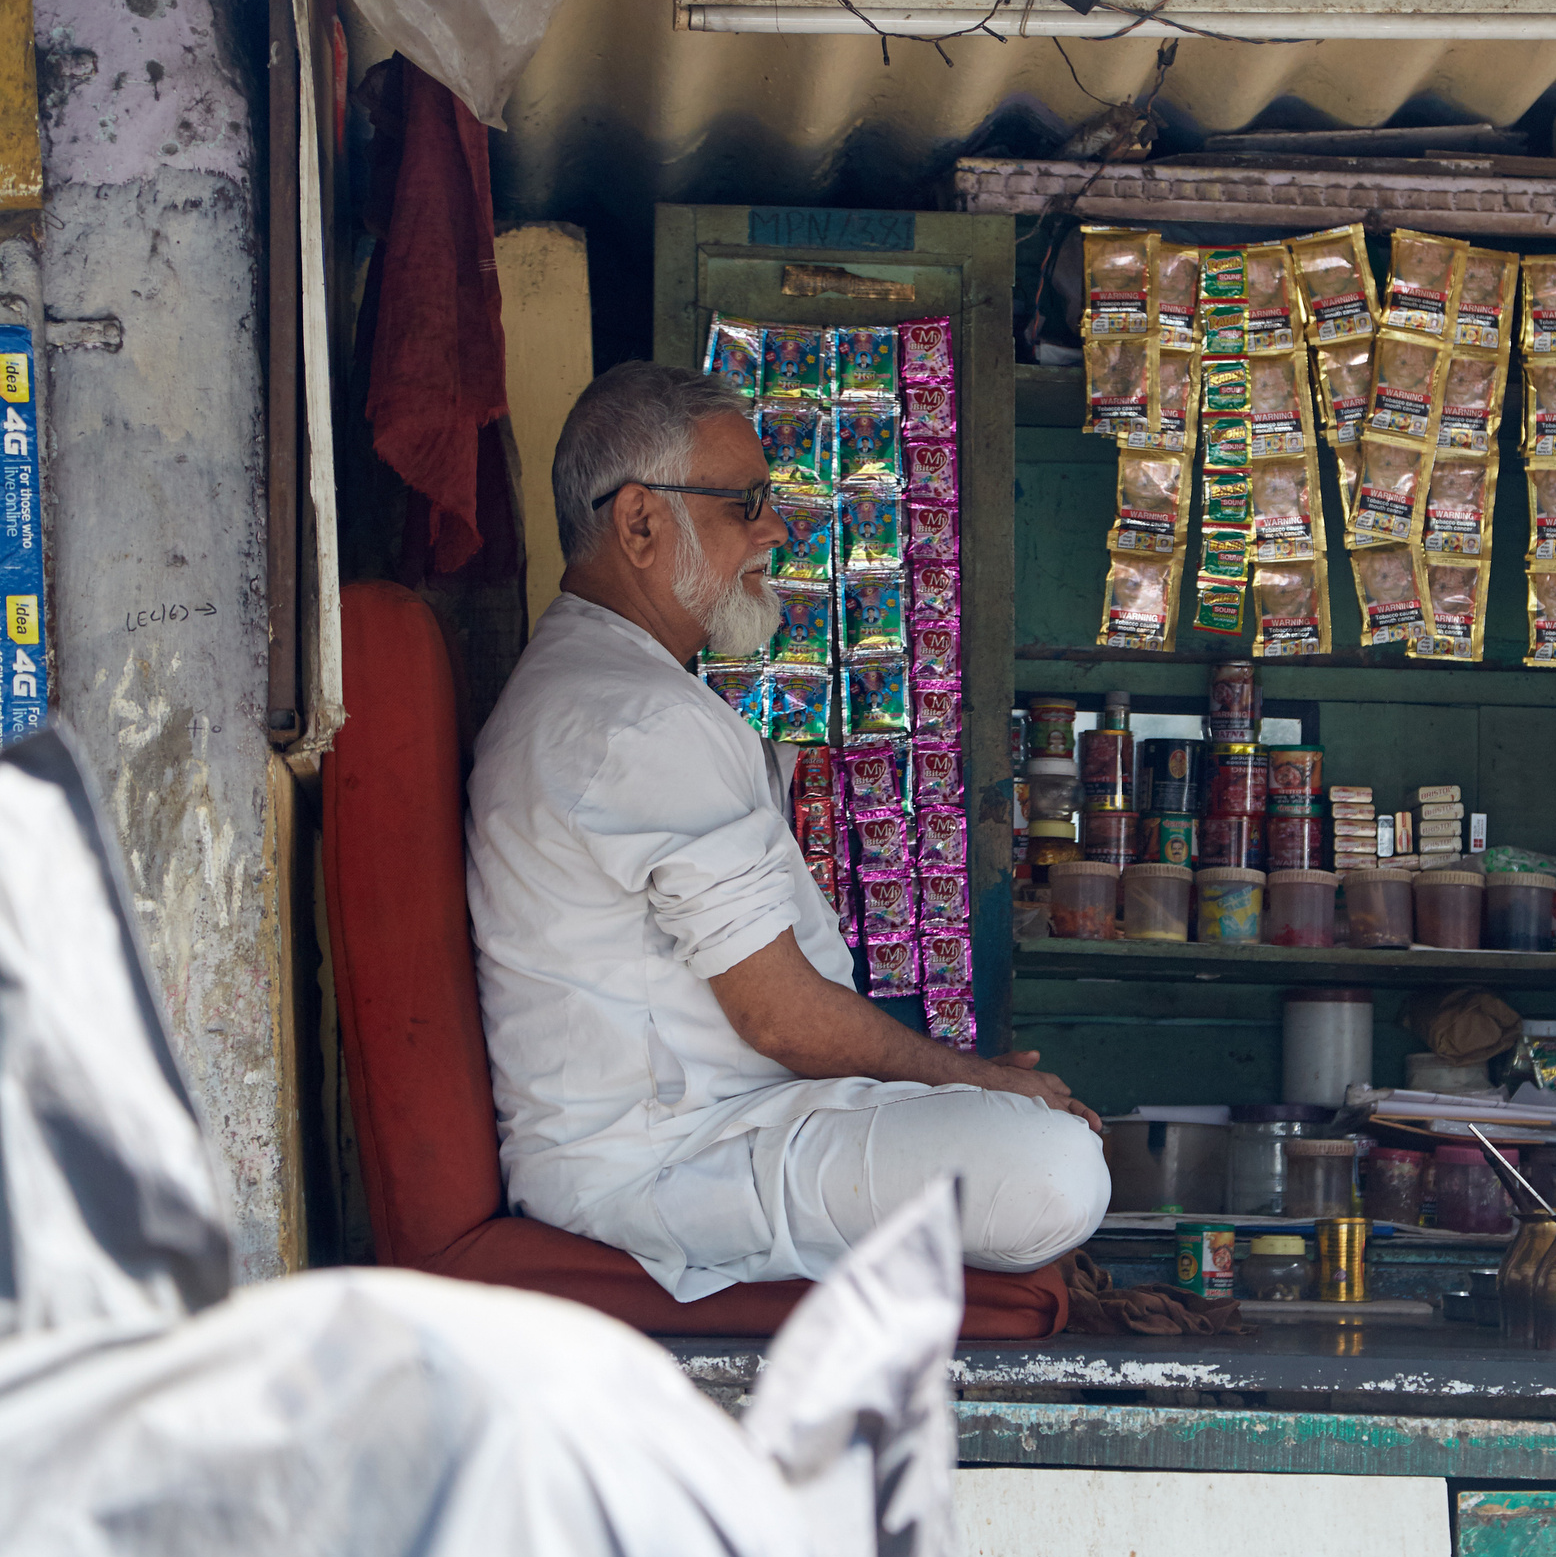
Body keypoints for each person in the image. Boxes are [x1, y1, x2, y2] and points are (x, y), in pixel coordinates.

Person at [466, 361, 1108, 1303]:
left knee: (1034, 1147)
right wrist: (967, 1081)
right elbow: (776, 1014)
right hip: (658, 1166)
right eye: (744, 505)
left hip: (718, 1127)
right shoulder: (626, 716)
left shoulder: (617, 689)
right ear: (640, 523)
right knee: (1056, 1171)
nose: (777, 530)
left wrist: (955, 1087)